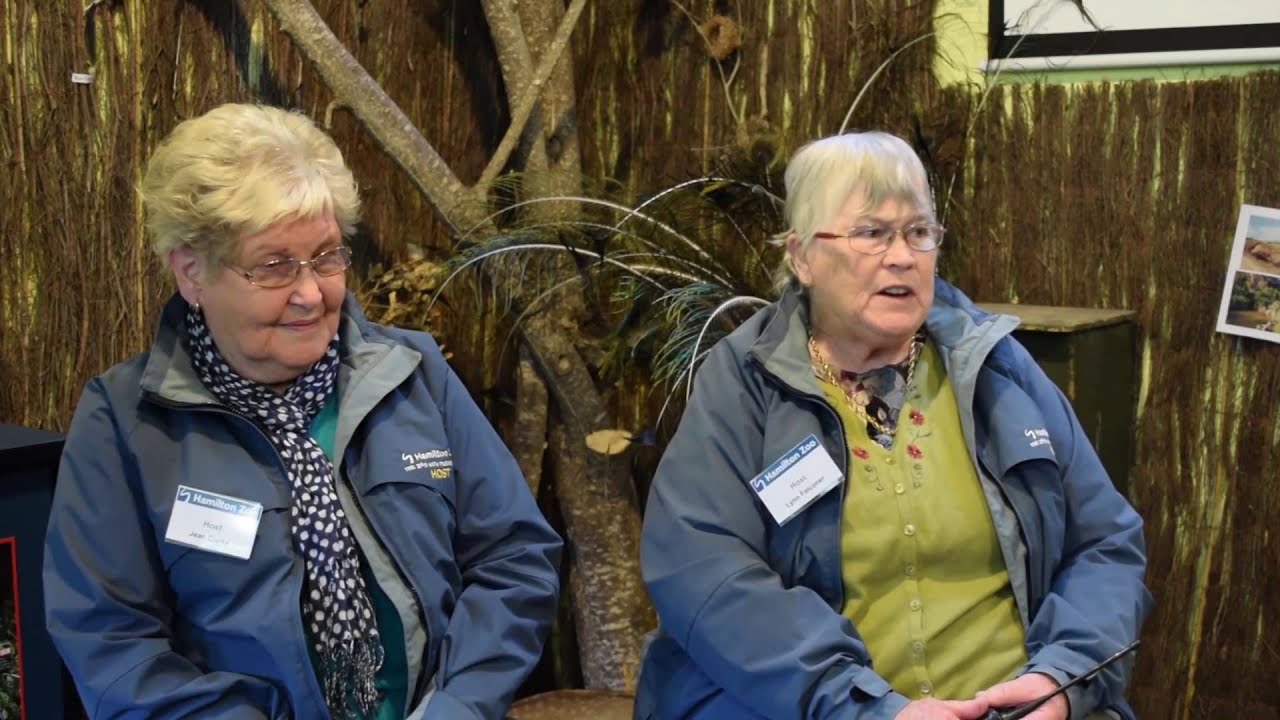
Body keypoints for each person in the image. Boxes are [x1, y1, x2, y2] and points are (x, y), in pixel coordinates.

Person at [43, 103, 562, 720]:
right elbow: (110, 639)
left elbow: (515, 559)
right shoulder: (125, 424)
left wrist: (460, 704)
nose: (311, 294)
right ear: (191, 272)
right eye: (274, 266)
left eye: (326, 257)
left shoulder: (414, 375)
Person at [633, 132, 1152, 720]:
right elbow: (706, 575)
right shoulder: (745, 384)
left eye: (919, 232)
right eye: (872, 233)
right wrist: (866, 708)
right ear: (802, 256)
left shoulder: (994, 366)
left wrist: (1061, 681)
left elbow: (1104, 544)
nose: (902, 255)